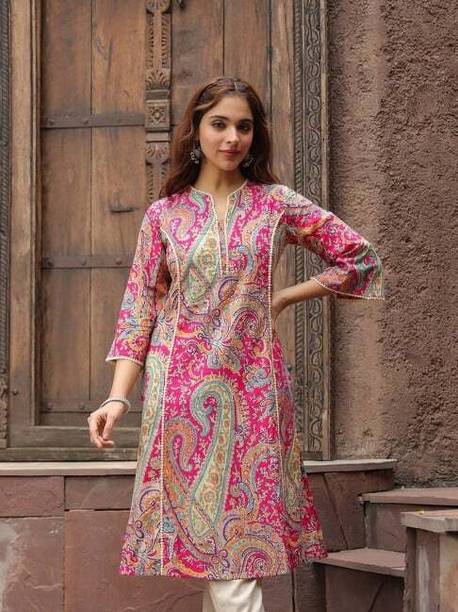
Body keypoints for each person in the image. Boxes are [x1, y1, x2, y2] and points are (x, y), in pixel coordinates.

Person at [87, 75, 384, 612]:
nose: (232, 138)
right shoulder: (164, 216)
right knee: (219, 562)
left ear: (255, 135)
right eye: (219, 124)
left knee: (235, 555)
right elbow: (139, 310)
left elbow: (359, 259)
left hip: (253, 390)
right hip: (179, 397)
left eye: (243, 127)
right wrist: (117, 397)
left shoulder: (275, 205)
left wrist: (285, 296)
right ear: (196, 130)